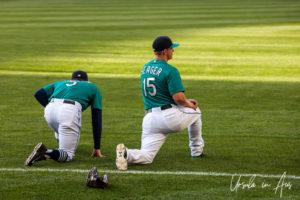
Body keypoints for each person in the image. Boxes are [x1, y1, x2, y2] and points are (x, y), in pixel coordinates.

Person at [116, 36, 205, 170]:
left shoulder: (145, 68)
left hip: (150, 119)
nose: (173, 51)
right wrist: (189, 104)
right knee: (196, 111)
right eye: (171, 48)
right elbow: (178, 99)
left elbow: (163, 94)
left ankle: (126, 154)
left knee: (147, 156)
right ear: (164, 51)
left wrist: (184, 102)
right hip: (169, 118)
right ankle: (197, 152)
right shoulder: (170, 70)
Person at [25, 70, 103, 166]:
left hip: (50, 109)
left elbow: (38, 93)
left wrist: (49, 106)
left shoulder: (61, 83)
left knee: (62, 132)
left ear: (71, 79)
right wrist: (97, 147)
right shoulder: (93, 87)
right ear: (86, 80)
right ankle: (45, 152)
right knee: (68, 154)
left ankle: (61, 146)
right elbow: (96, 119)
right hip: (69, 110)